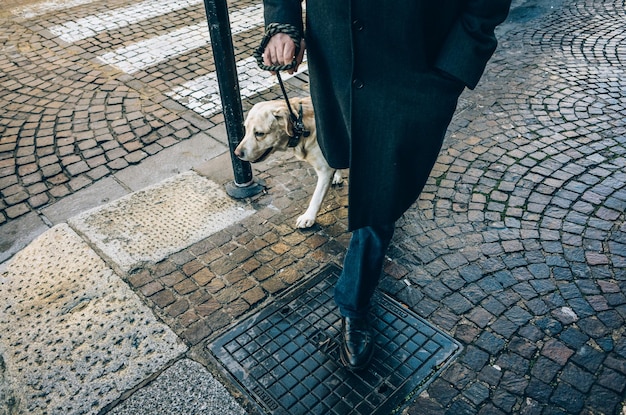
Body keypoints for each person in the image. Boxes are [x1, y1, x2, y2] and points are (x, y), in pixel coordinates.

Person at [260, 1, 512, 370]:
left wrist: (453, 69)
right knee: (350, 158)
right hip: (337, 61)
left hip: (413, 70)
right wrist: (282, 25)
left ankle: (353, 304)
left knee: (380, 197)